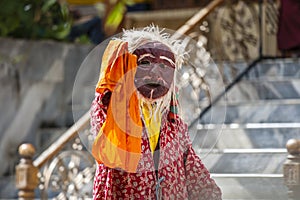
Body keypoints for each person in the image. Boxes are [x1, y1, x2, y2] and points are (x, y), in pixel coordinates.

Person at [90, 26, 222, 199]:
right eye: (144, 62)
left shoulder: (174, 125)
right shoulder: (117, 112)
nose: (155, 73)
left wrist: (209, 193)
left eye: (164, 66)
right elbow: (103, 106)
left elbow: (191, 165)